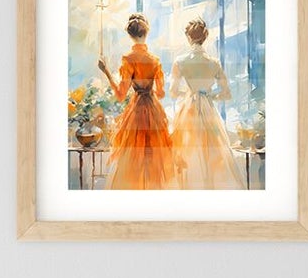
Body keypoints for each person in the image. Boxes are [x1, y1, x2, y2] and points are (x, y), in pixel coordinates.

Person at [97, 14, 175, 189]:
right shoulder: (155, 60)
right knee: (153, 158)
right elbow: (161, 93)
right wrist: (149, 87)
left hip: (136, 111)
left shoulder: (128, 59)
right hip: (153, 110)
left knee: (133, 158)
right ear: (146, 33)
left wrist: (106, 72)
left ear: (130, 35)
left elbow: (120, 95)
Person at [169, 20, 242, 189]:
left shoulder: (180, 61)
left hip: (188, 109)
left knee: (188, 151)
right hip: (208, 110)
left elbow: (173, 92)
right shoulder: (214, 62)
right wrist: (209, 96)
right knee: (212, 151)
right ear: (205, 37)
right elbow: (226, 93)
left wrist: (189, 94)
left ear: (188, 37)